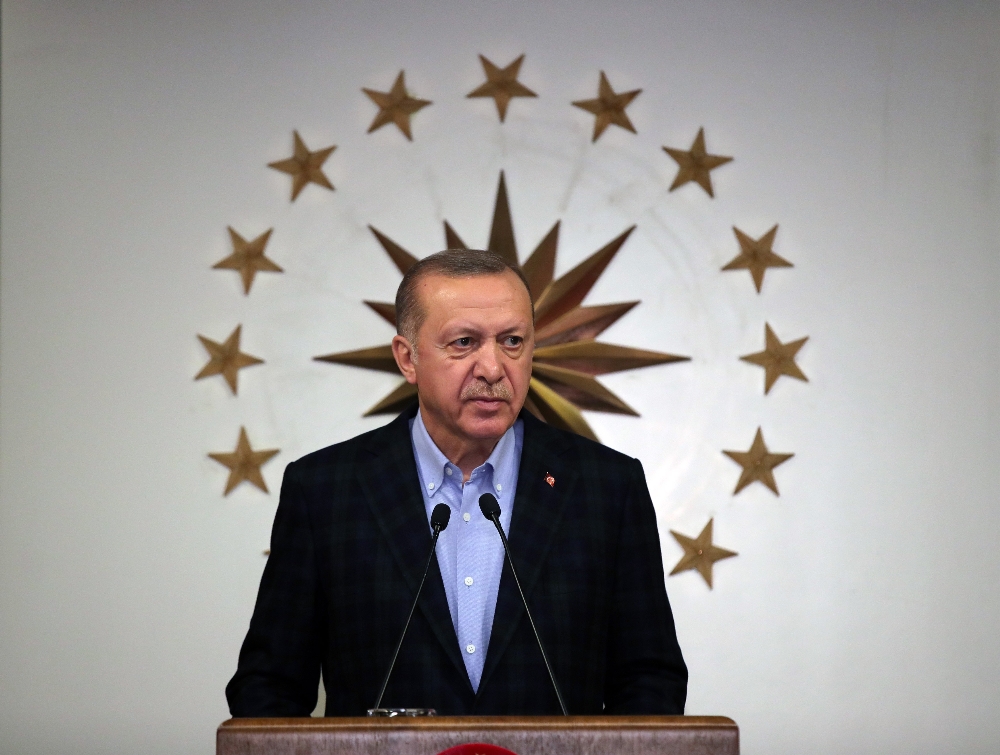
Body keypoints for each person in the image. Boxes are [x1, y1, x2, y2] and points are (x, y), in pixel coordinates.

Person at [226, 249, 687, 716]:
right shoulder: (324, 491)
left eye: (512, 341)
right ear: (408, 358)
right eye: (464, 342)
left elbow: (650, 679)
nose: (493, 368)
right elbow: (269, 688)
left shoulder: (607, 488)